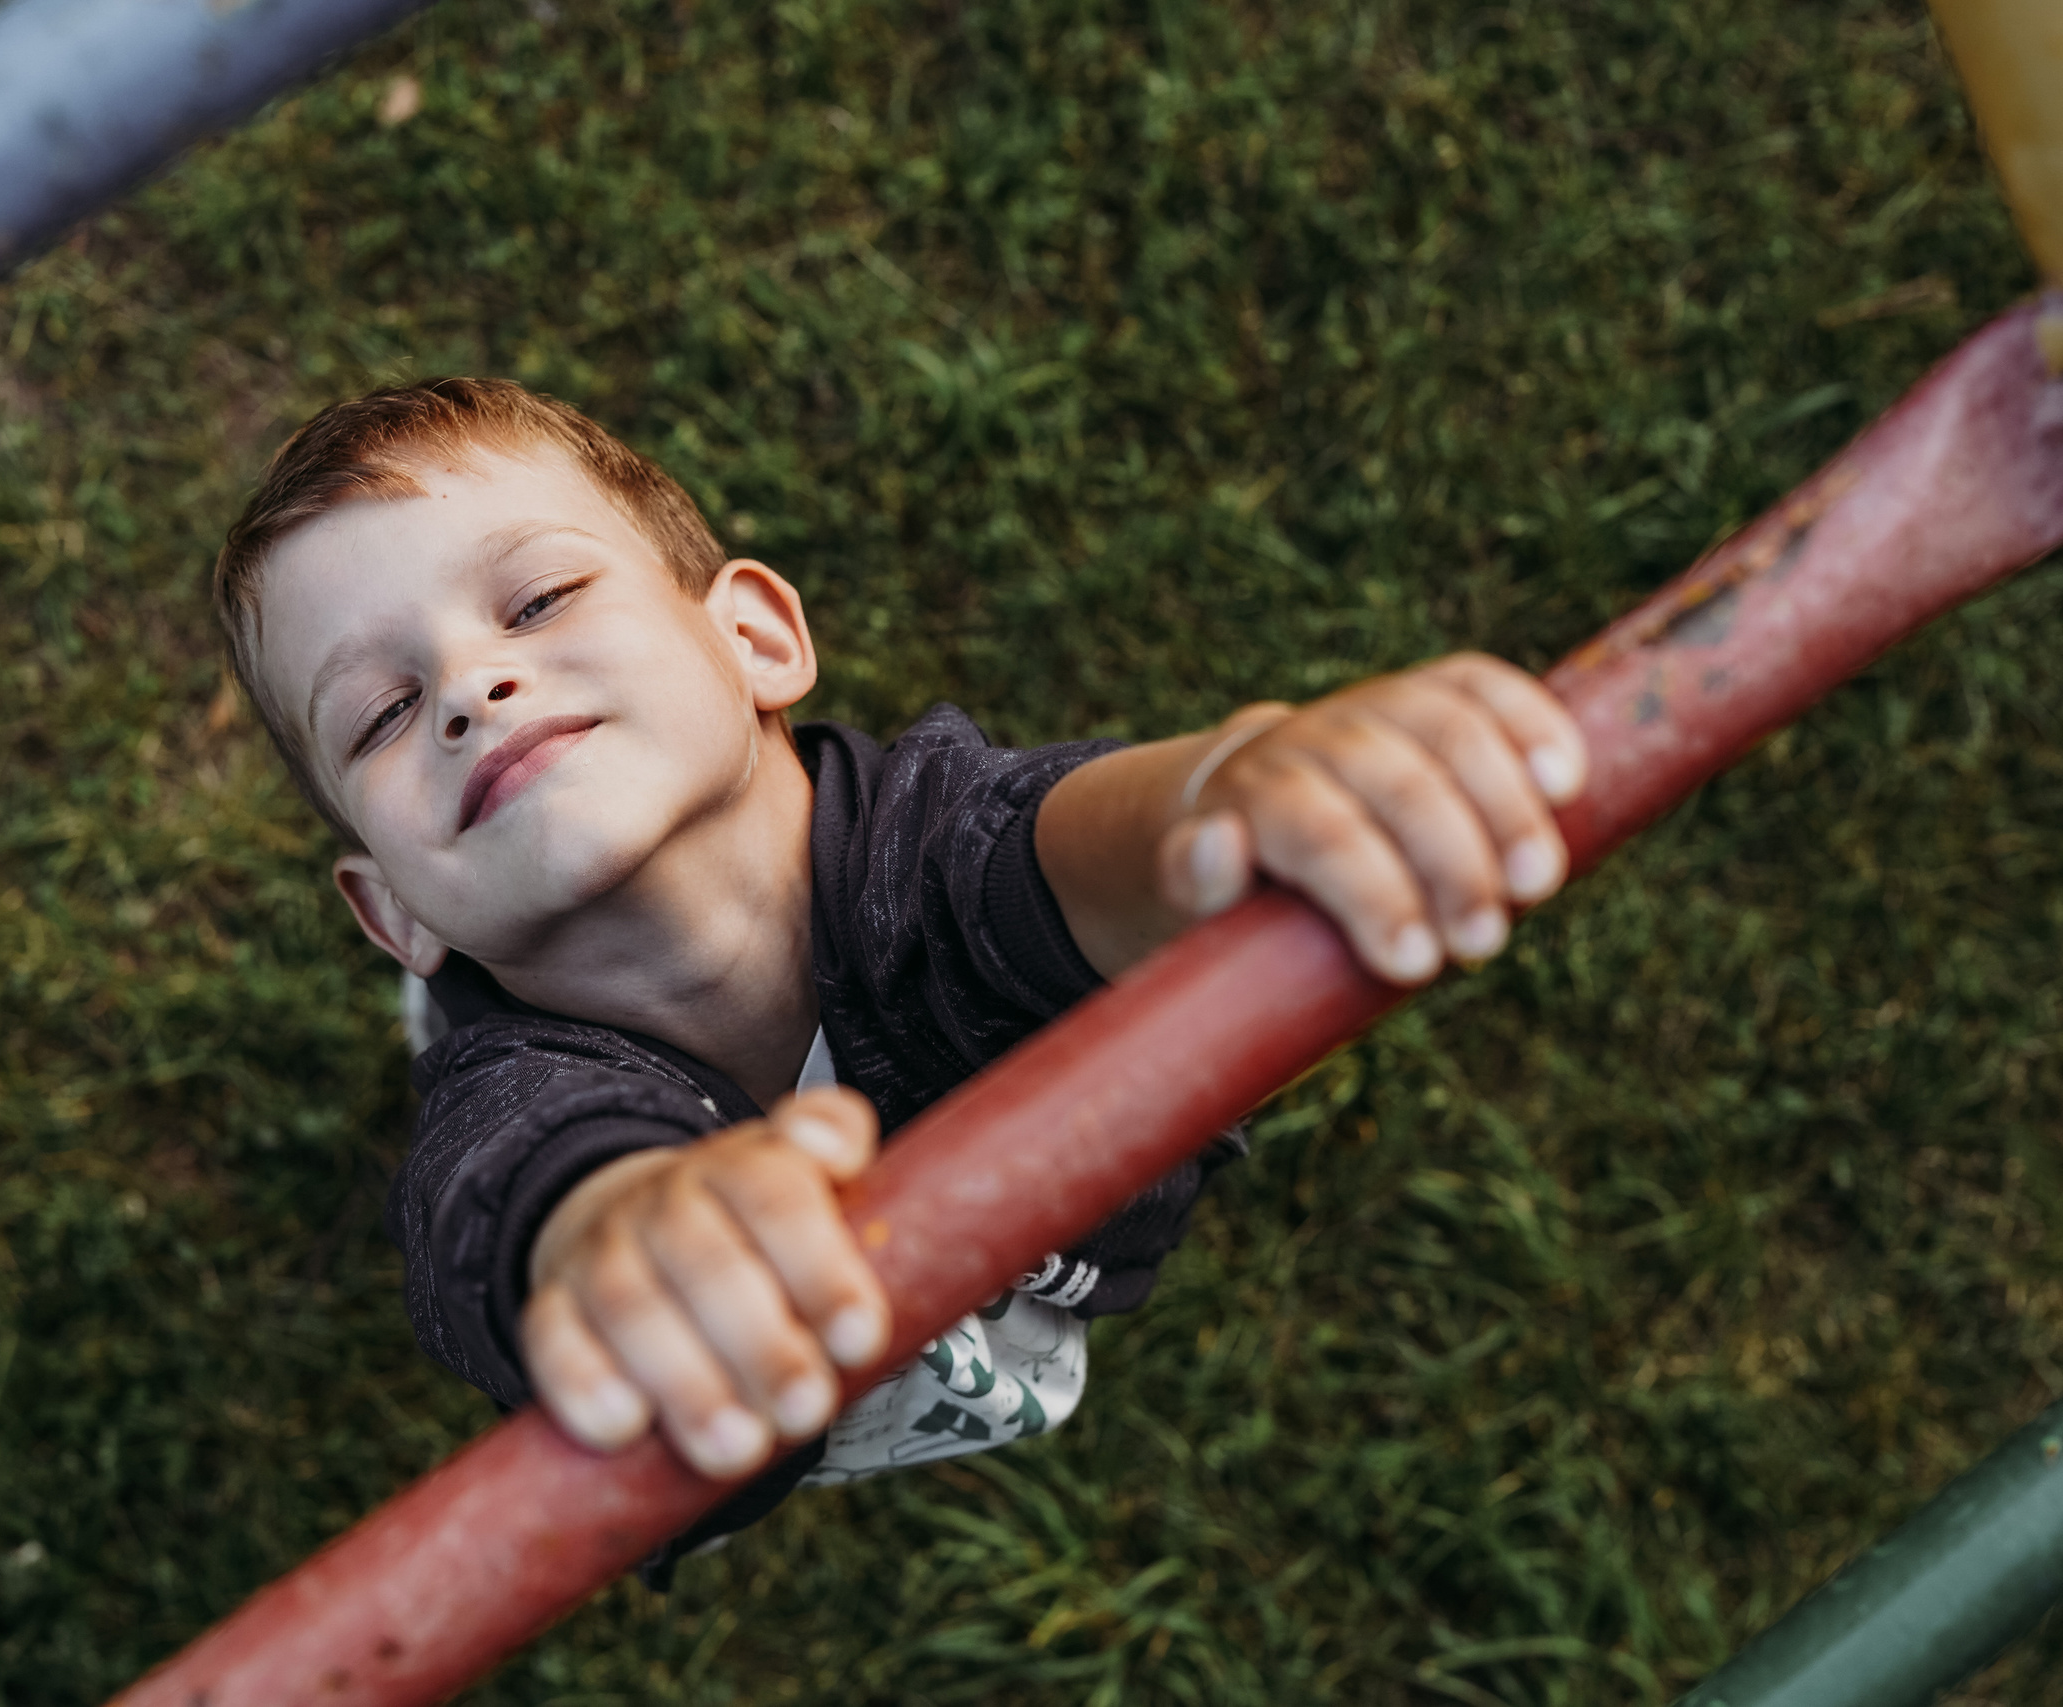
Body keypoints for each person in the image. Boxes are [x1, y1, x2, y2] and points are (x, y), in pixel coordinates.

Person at [212, 378, 1587, 1574]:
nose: (470, 688)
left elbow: (1072, 852)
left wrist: (1230, 787)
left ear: (754, 640)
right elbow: (507, 1198)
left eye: (540, 597)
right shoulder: (502, 1109)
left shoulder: (929, 852)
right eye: (384, 714)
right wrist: (623, 1233)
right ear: (388, 912)